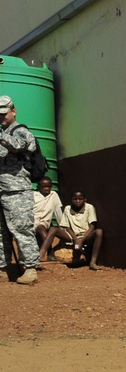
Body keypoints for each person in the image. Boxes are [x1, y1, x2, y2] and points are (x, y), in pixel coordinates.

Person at [0, 95, 41, 284]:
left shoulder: (20, 130)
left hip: (17, 191)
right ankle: (2, 268)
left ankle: (30, 269)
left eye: (4, 114)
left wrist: (2, 137)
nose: (1, 118)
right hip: (2, 190)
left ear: (13, 111)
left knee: (21, 229)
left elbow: (23, 145)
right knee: (0, 232)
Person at [45, 189, 102, 270]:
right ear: (71, 200)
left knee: (99, 232)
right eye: (75, 199)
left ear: (85, 199)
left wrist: (81, 240)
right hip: (72, 236)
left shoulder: (89, 207)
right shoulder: (68, 208)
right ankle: (42, 255)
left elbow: (92, 226)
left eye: (80, 199)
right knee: (53, 229)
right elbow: (67, 227)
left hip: (86, 236)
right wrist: (76, 239)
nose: (77, 201)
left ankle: (93, 262)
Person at [33, 176, 62, 263]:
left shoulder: (53, 195)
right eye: (44, 186)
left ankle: (46, 253)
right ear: (39, 187)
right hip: (34, 221)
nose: (47, 189)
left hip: (45, 222)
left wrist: (62, 226)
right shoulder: (33, 195)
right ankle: (50, 251)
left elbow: (58, 212)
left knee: (42, 227)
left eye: (49, 186)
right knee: (41, 228)